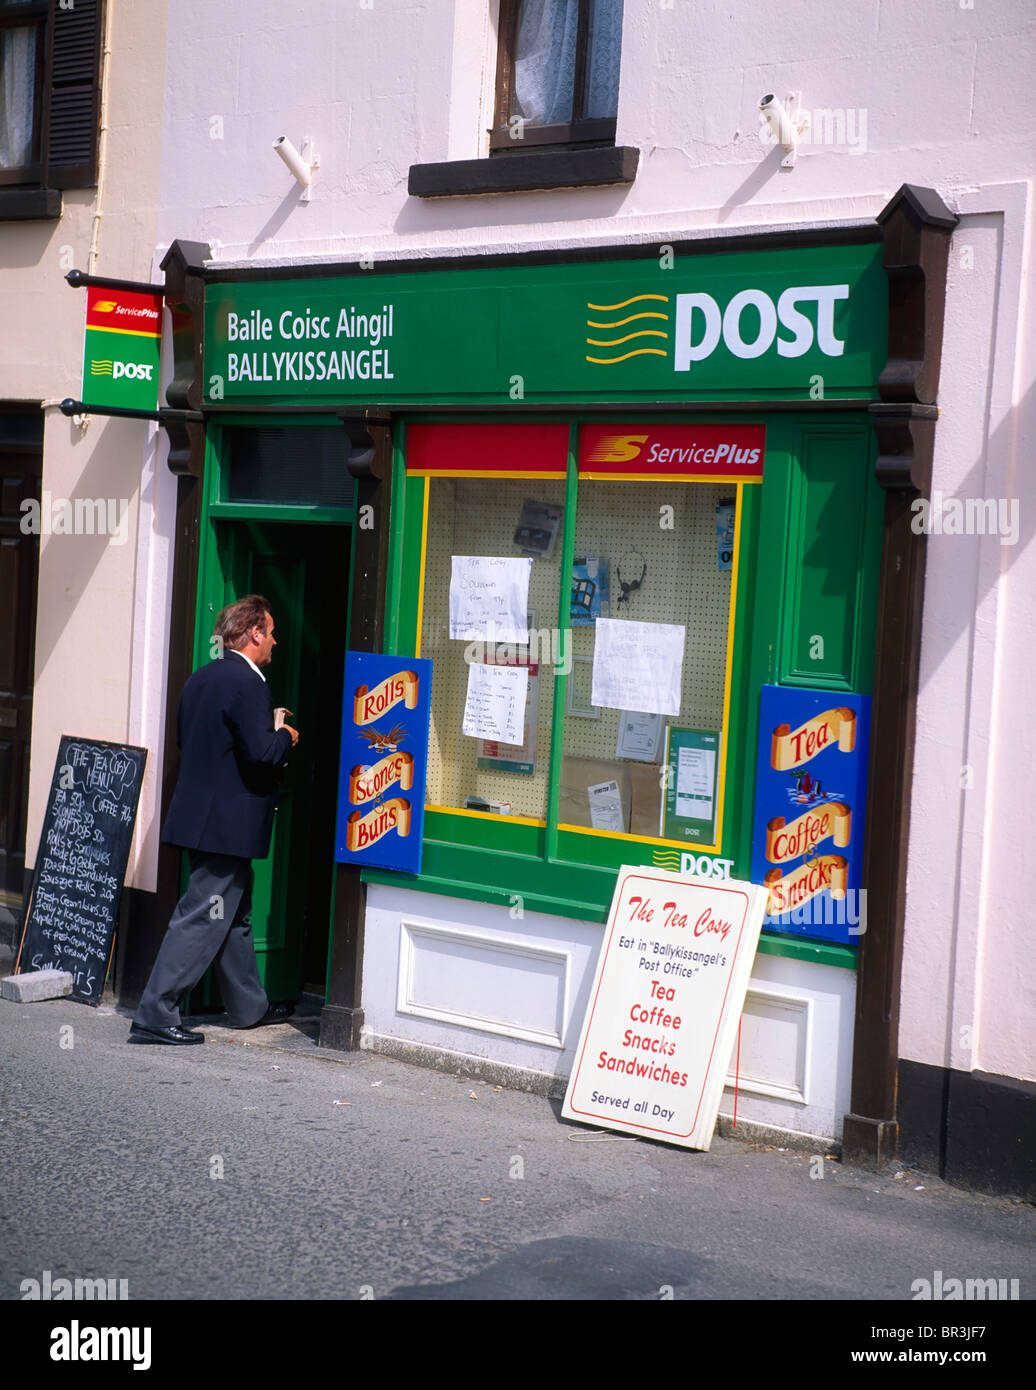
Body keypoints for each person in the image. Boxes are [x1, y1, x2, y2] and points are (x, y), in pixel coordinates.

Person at [129, 595, 299, 1045]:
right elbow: (261, 754)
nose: (276, 642)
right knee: (203, 915)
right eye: (272, 631)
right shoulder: (248, 683)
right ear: (254, 633)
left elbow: (198, 742)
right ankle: (154, 1012)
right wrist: (282, 734)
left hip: (201, 820)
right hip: (226, 825)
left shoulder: (201, 678)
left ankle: (249, 1007)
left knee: (234, 914)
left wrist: (267, 729)